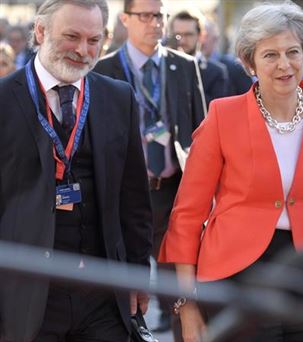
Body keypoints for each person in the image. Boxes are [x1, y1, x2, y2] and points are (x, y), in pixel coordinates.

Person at [158, 2, 303, 341]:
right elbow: (187, 216)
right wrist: (187, 308)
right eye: (270, 55)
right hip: (235, 274)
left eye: (293, 52)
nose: (284, 65)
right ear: (249, 62)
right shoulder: (223, 116)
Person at [0, 0, 153, 341]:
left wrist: (138, 276)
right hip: (24, 298)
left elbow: (134, 201)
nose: (83, 50)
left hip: (103, 296)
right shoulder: (3, 100)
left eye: (94, 40)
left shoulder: (118, 97)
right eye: (72, 36)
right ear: (40, 31)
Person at [94, 0, 206, 333]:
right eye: (146, 16)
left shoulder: (184, 66)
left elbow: (200, 130)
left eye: (160, 15)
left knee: (181, 292)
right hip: (124, 195)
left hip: (174, 193)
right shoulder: (103, 70)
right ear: (126, 19)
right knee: (123, 290)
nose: (155, 23)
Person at [169, 10, 229, 108]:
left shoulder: (216, 72)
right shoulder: (162, 67)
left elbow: (214, 109)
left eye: (188, 34)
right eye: (177, 35)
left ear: (201, 36)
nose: (182, 40)